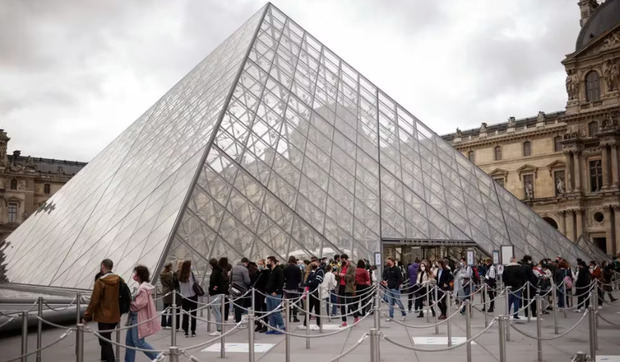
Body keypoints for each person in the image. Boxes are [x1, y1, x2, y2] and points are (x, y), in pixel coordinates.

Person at [83, 259, 123, 362]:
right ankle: (104, 359)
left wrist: (87, 316)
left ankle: (110, 360)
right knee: (105, 338)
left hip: (103, 316)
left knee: (105, 341)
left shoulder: (100, 281)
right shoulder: (119, 280)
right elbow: (125, 296)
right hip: (115, 315)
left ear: (103, 266)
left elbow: (94, 301)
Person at [125, 265, 161, 362]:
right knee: (129, 342)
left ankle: (157, 355)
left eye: (135, 273)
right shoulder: (142, 287)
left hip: (138, 316)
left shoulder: (143, 288)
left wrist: (129, 303)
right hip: (135, 316)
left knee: (138, 342)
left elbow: (139, 304)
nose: (134, 275)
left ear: (140, 275)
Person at [382, 257, 407, 322]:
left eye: (388, 261)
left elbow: (400, 278)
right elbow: (385, 277)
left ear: (392, 261)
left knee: (398, 302)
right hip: (389, 288)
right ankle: (391, 316)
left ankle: (403, 314)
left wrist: (396, 287)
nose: (387, 262)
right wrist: (384, 281)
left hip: (395, 289)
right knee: (390, 303)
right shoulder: (387, 269)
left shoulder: (397, 269)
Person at [265, 256, 285, 334]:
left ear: (272, 261)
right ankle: (273, 327)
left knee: (276, 311)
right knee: (270, 312)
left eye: (268, 261)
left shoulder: (278, 270)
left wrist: (276, 291)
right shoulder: (270, 270)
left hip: (275, 294)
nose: (267, 263)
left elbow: (281, 282)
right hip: (269, 293)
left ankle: (281, 327)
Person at [208, 258, 228, 336]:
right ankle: (220, 328)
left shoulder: (215, 272)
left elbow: (214, 283)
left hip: (215, 294)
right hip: (219, 293)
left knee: (216, 311)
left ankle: (219, 329)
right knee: (217, 311)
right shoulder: (220, 270)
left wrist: (213, 289)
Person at [177, 260, 197, 337]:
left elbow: (180, 286)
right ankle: (193, 331)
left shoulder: (180, 274)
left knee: (185, 314)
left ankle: (186, 331)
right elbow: (193, 284)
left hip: (184, 297)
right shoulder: (190, 274)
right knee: (193, 314)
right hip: (192, 296)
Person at [336, 254, 357, 327]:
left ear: (346, 259)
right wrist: (337, 275)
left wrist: (343, 275)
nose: (342, 261)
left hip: (348, 286)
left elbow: (353, 277)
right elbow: (337, 277)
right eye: (341, 259)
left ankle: (355, 316)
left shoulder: (352, 267)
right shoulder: (339, 266)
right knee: (342, 305)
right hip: (341, 286)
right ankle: (344, 321)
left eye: (343, 259)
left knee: (349, 303)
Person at [304, 257, 324, 327]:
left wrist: (310, 282)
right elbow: (307, 281)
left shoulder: (320, 271)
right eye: (312, 262)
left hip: (317, 292)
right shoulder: (312, 271)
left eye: (314, 262)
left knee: (317, 308)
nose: (313, 264)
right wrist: (310, 282)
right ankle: (305, 322)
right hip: (310, 292)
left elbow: (317, 282)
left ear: (318, 263)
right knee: (309, 308)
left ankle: (318, 323)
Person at [230, 257, 251, 323]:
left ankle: (236, 319)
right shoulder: (244, 269)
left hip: (234, 289)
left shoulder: (234, 268)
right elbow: (247, 281)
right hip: (241, 289)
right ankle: (238, 320)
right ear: (246, 263)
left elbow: (230, 279)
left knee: (236, 305)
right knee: (240, 305)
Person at [283, 256, 302, 323]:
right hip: (295, 288)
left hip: (287, 288)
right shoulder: (297, 268)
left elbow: (284, 278)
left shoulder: (285, 268)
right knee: (295, 303)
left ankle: (288, 318)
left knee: (288, 304)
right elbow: (299, 279)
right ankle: (295, 317)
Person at [253, 259, 270, 333]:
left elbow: (267, 282)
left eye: (261, 264)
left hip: (263, 292)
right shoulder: (256, 272)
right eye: (258, 264)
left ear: (264, 264)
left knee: (264, 308)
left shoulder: (266, 272)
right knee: (257, 309)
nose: (259, 265)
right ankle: (259, 324)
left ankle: (265, 325)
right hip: (256, 292)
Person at [159, 263, 177, 329]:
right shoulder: (170, 275)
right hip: (170, 292)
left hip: (164, 291)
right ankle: (169, 323)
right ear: (169, 267)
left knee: (165, 308)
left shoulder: (162, 274)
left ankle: (163, 324)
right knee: (172, 308)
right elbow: (171, 283)